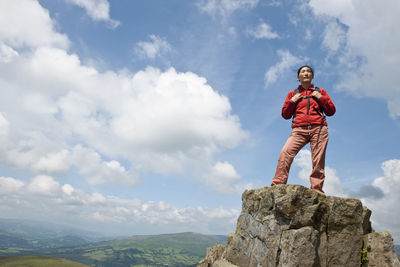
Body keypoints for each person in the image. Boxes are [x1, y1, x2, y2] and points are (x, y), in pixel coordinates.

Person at [270, 65, 336, 193]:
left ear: (312, 76)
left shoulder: (320, 91)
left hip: (319, 128)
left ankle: (316, 189)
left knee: (318, 159)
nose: (306, 73)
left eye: (308, 71)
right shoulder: (292, 94)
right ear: (298, 77)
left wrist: (321, 98)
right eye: (303, 71)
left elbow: (331, 111)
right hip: (298, 130)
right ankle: (277, 185)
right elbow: (285, 115)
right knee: (285, 153)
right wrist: (292, 101)